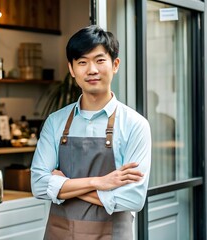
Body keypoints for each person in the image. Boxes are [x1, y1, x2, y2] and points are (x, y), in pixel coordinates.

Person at [30, 25, 151, 239]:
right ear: (72, 69)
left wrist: (63, 185)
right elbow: (39, 186)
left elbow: (133, 198)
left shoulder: (135, 124)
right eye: (82, 62)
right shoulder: (55, 122)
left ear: (115, 65)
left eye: (99, 60)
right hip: (60, 233)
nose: (92, 69)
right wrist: (100, 182)